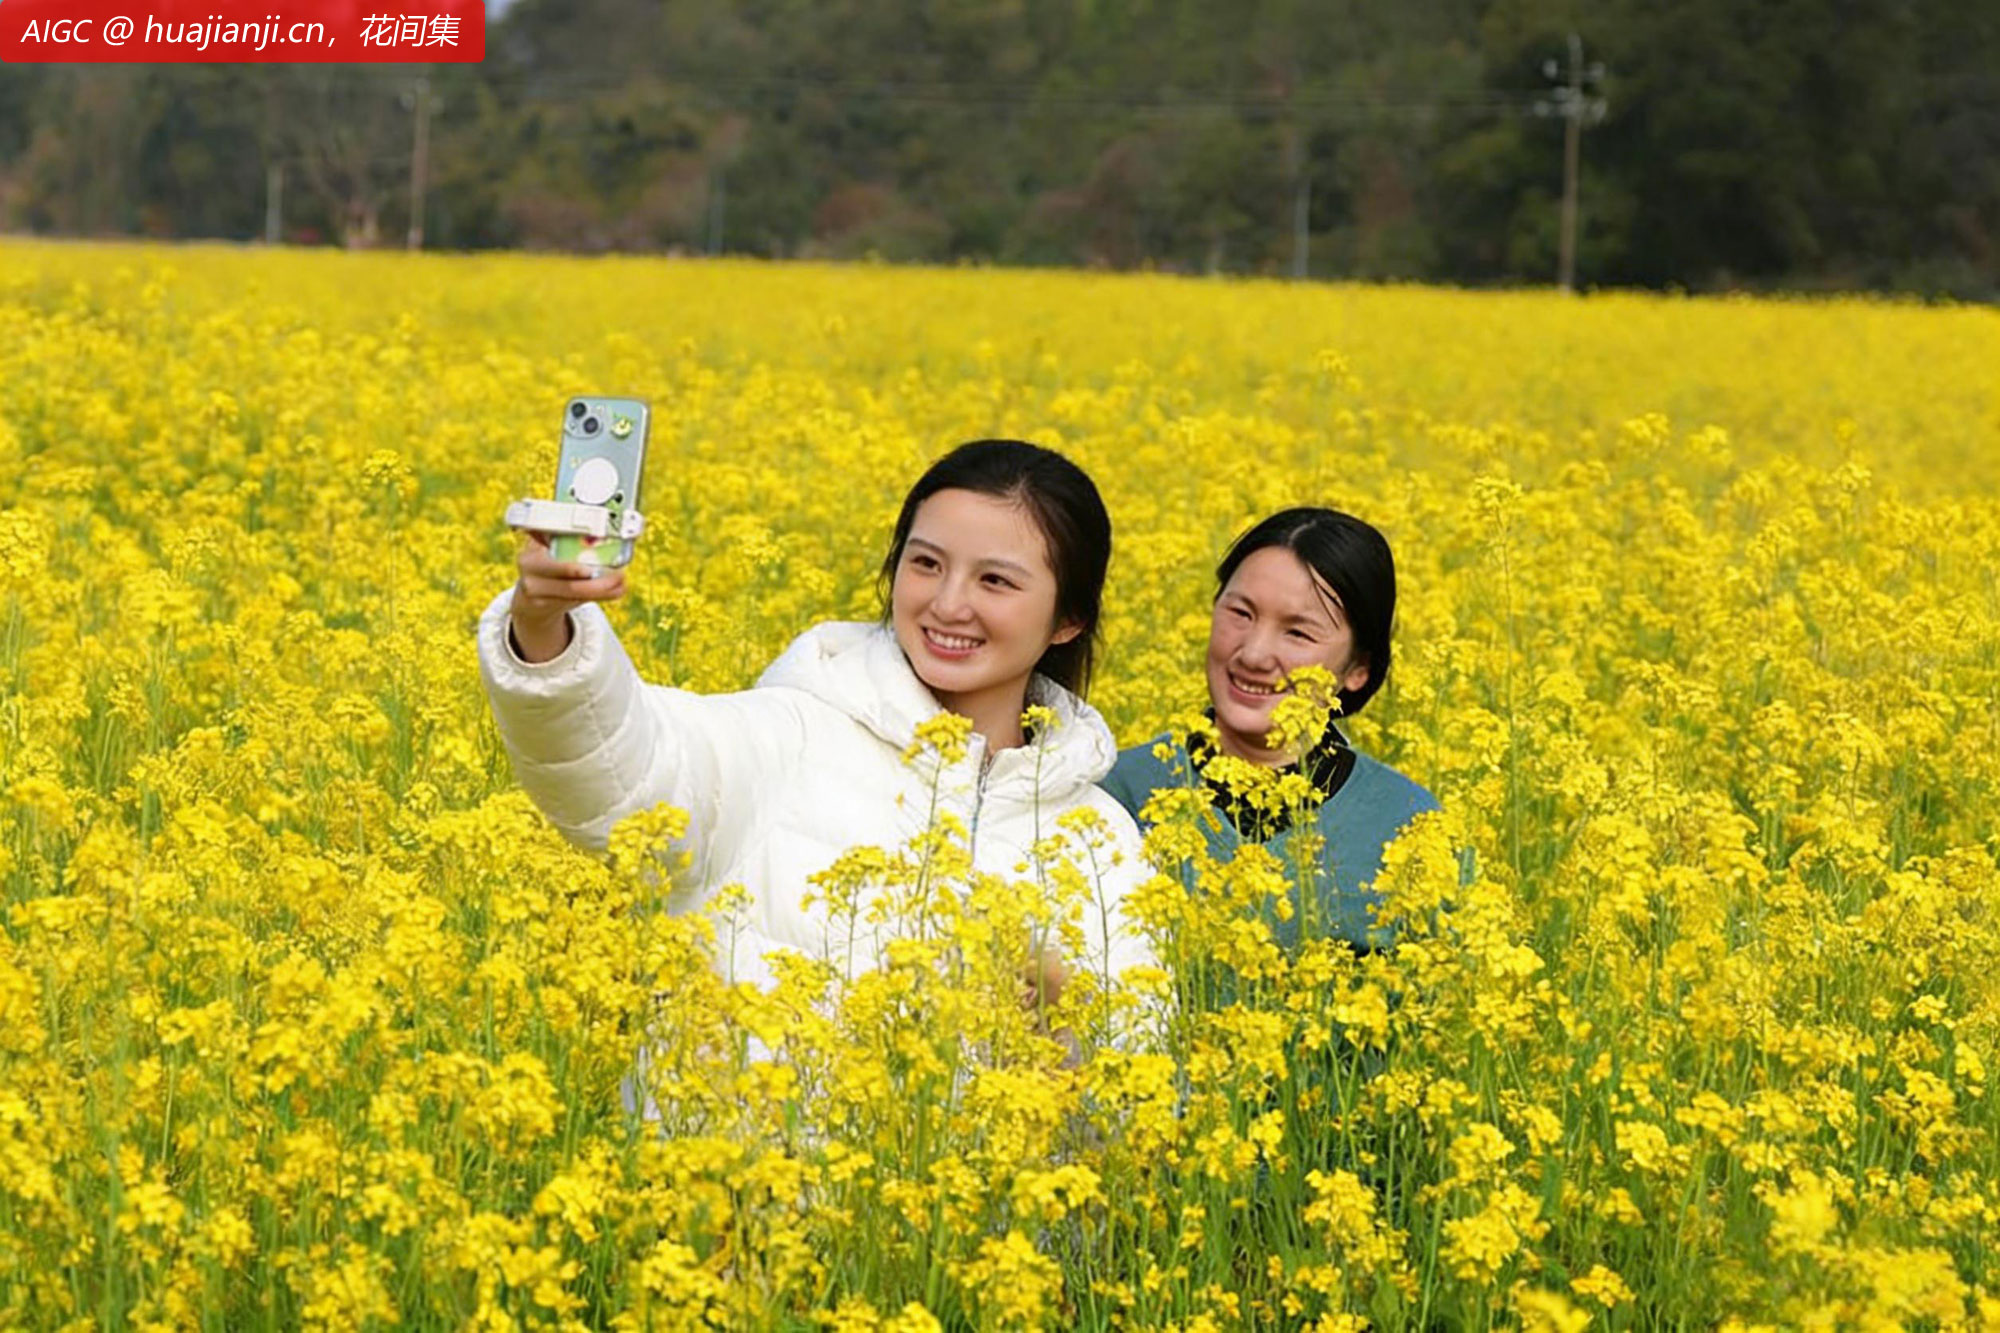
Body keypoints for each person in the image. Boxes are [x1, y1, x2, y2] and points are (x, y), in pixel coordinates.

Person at [476, 438, 1154, 997]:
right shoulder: (789, 735)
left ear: (1069, 618)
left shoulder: (1101, 840)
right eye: (925, 564)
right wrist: (546, 628)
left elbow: (1138, 1069)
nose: (948, 604)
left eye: (995, 580)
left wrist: (1061, 1039)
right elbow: (624, 771)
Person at [1099, 507, 1441, 953]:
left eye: (1298, 633)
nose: (1254, 655)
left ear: (1359, 668)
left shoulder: (1409, 825)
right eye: (1240, 613)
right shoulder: (1116, 795)